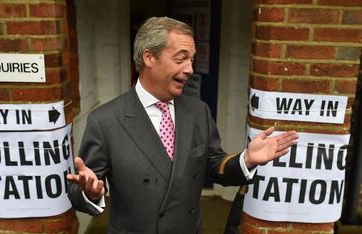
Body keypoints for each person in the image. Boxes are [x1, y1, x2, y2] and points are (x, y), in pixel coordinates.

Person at [67, 16, 299, 234]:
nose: (189, 68)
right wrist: (90, 192)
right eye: (180, 58)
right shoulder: (106, 120)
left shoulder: (198, 111)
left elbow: (214, 163)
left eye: (191, 59)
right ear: (149, 58)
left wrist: (246, 159)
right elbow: (80, 189)